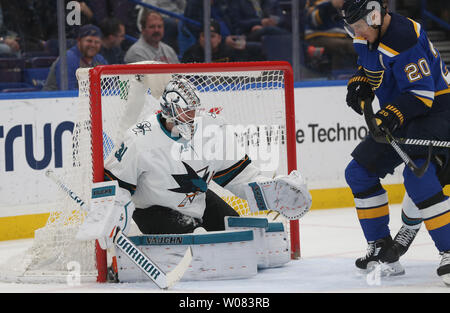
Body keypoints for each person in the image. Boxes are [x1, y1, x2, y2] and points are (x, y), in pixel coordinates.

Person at [100, 76, 311, 237]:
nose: (192, 117)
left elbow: (237, 176)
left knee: (237, 234)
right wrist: (112, 220)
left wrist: (269, 190)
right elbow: (115, 185)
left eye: (193, 110)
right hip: (153, 210)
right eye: (185, 112)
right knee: (195, 237)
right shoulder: (140, 139)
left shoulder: (211, 128)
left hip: (198, 200)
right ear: (169, 111)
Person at [341, 0, 450, 286]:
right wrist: (358, 81)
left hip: (437, 111)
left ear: (376, 17)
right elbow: (367, 64)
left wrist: (391, 113)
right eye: (353, 27)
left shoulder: (405, 37)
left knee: (418, 174)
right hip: (402, 112)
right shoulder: (364, 30)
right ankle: (381, 247)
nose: (357, 32)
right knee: (358, 173)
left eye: (361, 26)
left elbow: (422, 95)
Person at [43, 24, 107, 91]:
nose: (93, 45)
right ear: (79, 41)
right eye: (89, 41)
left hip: (83, 99)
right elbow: (68, 92)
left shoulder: (99, 60)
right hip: (54, 99)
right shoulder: (68, 59)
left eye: (97, 42)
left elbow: (109, 85)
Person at [305, 0, 357, 71]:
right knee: (348, 45)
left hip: (343, 36)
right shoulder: (315, 2)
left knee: (362, 43)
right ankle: (338, 76)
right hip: (318, 36)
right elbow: (313, 20)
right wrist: (331, 5)